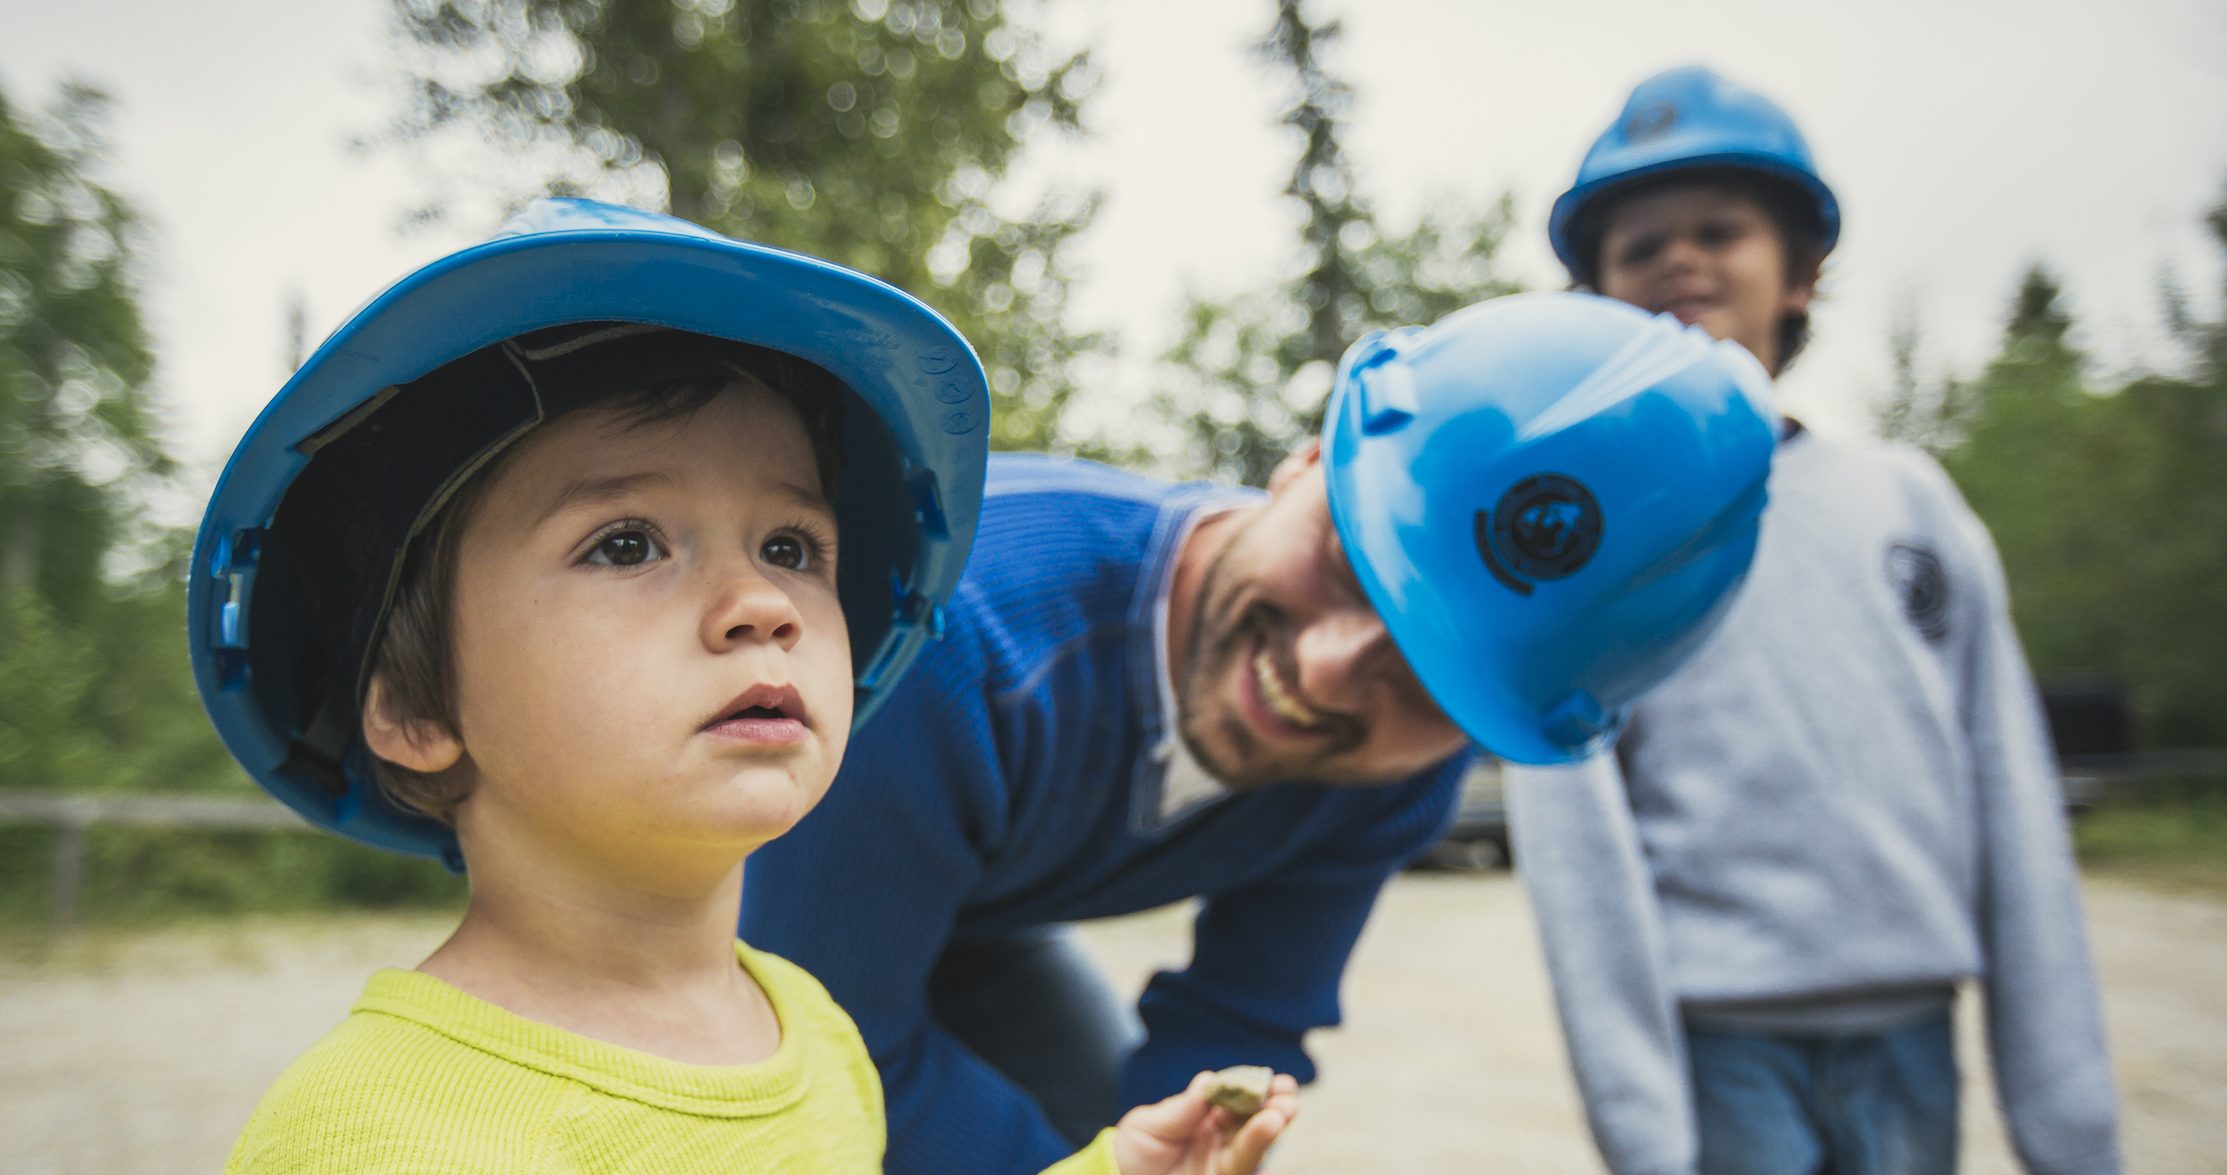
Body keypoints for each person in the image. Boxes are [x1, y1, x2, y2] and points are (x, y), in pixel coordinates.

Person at [189, 197, 1298, 1175]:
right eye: (625, 543)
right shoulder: (380, 1135)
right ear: (414, 707)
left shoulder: (811, 1029)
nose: (760, 603)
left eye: (789, 546)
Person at [744, 284, 1786, 1173]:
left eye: (1425, 675)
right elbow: (836, 1050)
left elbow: (1240, 1020)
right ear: (1300, 463)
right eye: (1348, 564)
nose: (1328, 669)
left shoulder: (1395, 773)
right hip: (710, 923)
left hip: (968, 919)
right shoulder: (960, 632)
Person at [1512, 66, 2122, 1175]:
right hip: (1720, 1045)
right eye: (1640, 246)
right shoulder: (1584, 545)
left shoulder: (1909, 503)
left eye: (1718, 229)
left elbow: (2010, 785)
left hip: (1910, 1032)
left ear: (1800, 273)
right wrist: (1645, 1133)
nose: (1680, 259)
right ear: (1596, 295)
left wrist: (2068, 1122)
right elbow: (1576, 849)